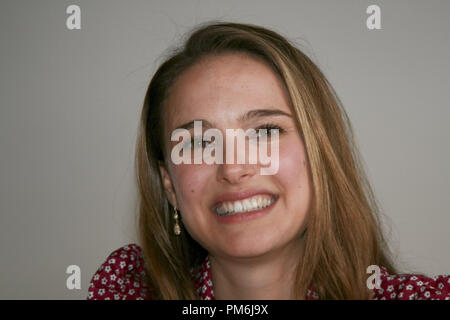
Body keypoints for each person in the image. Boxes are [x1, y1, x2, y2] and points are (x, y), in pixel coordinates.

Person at [87, 21, 450, 300]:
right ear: (169, 184)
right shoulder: (127, 288)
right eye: (198, 142)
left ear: (320, 154)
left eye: (264, 132)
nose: (233, 168)